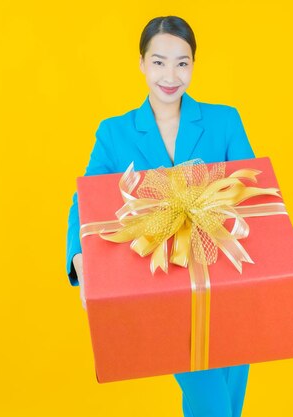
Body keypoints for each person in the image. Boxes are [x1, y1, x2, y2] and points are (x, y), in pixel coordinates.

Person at [66, 15, 255, 417]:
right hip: (160, 281)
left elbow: (249, 191)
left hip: (227, 276)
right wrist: (80, 259)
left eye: (182, 63)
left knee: (231, 384)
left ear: (193, 65)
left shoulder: (224, 120)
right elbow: (85, 201)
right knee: (207, 387)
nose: (170, 75)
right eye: (159, 62)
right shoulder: (114, 132)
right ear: (141, 63)